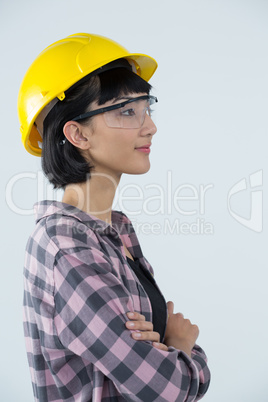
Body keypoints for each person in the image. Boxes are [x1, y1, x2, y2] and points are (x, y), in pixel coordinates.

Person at [18, 33, 211, 401]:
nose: (149, 126)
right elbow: (165, 388)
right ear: (77, 133)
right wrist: (184, 346)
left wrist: (166, 348)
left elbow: (155, 363)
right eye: (126, 111)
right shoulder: (66, 246)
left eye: (146, 107)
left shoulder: (114, 231)